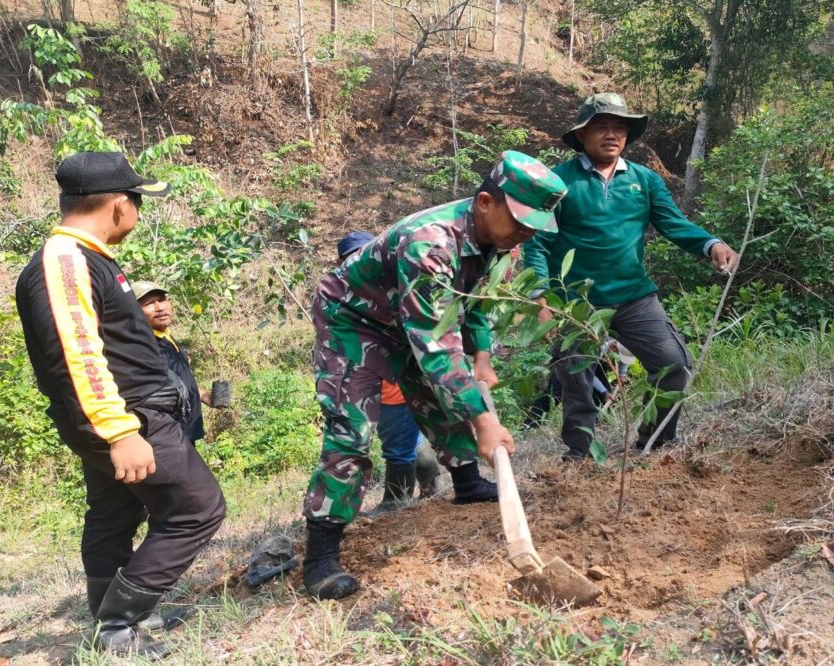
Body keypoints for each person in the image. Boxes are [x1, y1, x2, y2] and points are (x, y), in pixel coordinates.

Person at [301, 151, 567, 600]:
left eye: (536, 223)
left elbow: (473, 302)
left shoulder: (501, 242)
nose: (528, 231)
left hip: (415, 319)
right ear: (485, 202)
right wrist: (486, 422)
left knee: (445, 395)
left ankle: (466, 483)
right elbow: (436, 346)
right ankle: (321, 555)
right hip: (355, 318)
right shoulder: (431, 244)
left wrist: (482, 356)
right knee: (354, 430)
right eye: (522, 220)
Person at [15, 152, 226, 658]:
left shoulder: (85, 259)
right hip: (130, 418)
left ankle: (115, 623)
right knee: (197, 509)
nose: (137, 211)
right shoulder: (65, 261)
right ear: (117, 204)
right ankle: (117, 624)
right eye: (136, 201)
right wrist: (120, 432)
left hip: (129, 415)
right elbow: (77, 355)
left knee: (113, 514)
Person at [523, 93, 739, 460]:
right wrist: (542, 295)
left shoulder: (645, 180)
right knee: (575, 381)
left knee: (674, 365)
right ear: (581, 136)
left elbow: (673, 223)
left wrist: (711, 244)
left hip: (634, 297)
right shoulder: (557, 182)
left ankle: (654, 442)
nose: (612, 135)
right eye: (602, 128)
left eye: (619, 128)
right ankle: (579, 457)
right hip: (576, 301)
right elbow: (538, 243)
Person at [335, 232, 443, 506]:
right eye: (352, 259)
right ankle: (431, 479)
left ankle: (396, 503)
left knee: (397, 445)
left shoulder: (397, 288)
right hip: (369, 383)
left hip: (394, 382)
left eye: (363, 254)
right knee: (402, 436)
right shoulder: (344, 295)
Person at [133, 280, 214, 445]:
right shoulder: (143, 347)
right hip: (167, 438)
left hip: (184, 434)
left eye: (162, 299)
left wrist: (205, 396)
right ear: (134, 311)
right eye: (148, 303)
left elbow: (178, 380)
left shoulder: (167, 336)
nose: (159, 307)